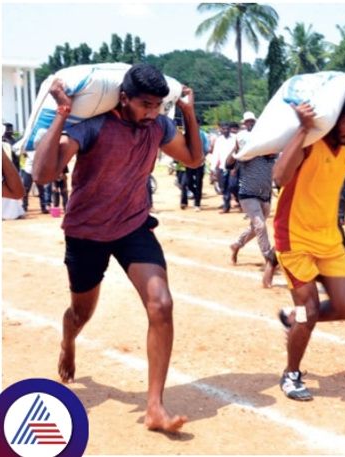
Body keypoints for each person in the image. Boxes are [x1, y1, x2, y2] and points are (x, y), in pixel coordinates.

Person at [33, 63, 203, 432]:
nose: (152, 112)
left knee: (162, 303)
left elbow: (193, 158)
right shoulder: (91, 125)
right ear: (123, 98)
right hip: (86, 231)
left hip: (133, 226)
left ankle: (155, 407)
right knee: (81, 313)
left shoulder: (158, 126)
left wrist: (188, 112)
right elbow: (44, 175)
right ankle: (68, 341)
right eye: (145, 105)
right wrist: (63, 113)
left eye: (158, 105)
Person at [272, 89, 345, 401]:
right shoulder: (311, 141)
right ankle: (291, 373)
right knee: (307, 309)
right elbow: (280, 176)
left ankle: (293, 318)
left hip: (329, 238)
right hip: (293, 237)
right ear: (335, 119)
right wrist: (303, 128)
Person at [229, 111, 279, 288]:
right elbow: (229, 164)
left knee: (255, 227)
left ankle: (236, 245)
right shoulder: (248, 153)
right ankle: (269, 258)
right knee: (259, 225)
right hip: (247, 194)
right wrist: (235, 150)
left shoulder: (273, 156)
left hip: (265, 195)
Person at [210, 121, 238, 213]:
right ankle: (226, 206)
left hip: (234, 167)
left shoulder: (235, 138)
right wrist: (213, 168)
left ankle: (239, 200)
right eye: (223, 129)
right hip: (223, 167)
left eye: (227, 129)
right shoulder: (219, 140)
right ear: (220, 130)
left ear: (230, 129)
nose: (225, 130)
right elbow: (215, 154)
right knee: (224, 187)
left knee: (233, 185)